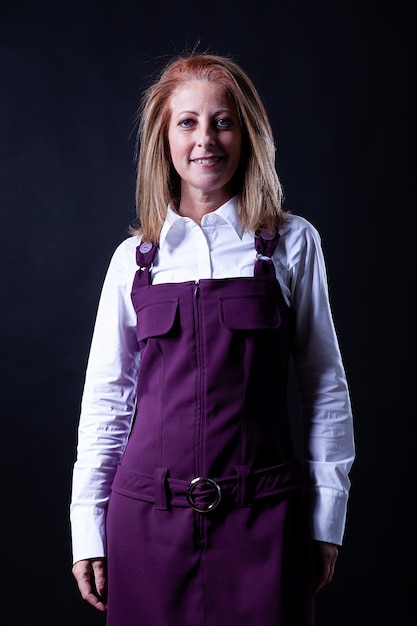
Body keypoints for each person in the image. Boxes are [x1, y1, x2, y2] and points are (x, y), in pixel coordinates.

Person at [70, 51, 355, 626]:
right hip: (147, 526)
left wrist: (327, 521)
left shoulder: (292, 244)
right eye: (188, 122)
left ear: (247, 133)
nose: (207, 139)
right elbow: (106, 402)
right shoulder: (132, 262)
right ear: (164, 139)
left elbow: (324, 388)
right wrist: (86, 528)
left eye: (223, 121)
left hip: (265, 522)